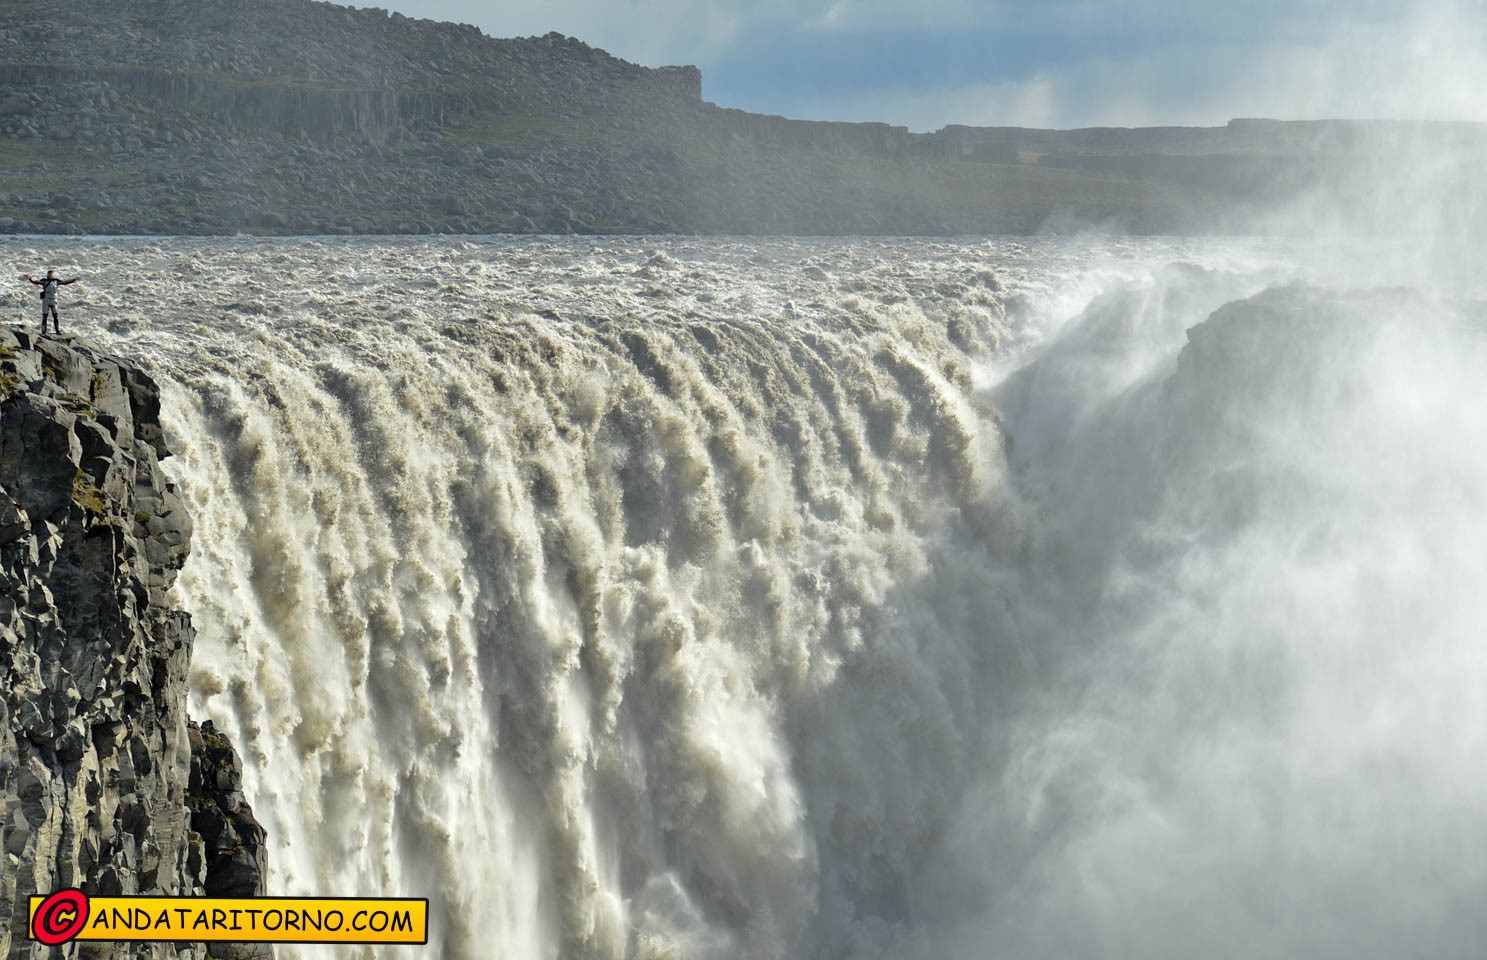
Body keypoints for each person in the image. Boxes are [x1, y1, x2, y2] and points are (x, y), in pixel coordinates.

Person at [23, 269, 80, 335]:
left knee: (55, 316)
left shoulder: (56, 281)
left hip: (54, 300)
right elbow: (35, 282)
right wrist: (30, 278)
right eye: (49, 274)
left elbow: (65, 282)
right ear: (47, 274)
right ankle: (43, 332)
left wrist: (74, 279)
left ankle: (57, 331)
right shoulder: (44, 281)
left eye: (51, 274)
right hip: (46, 300)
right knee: (45, 316)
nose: (50, 275)